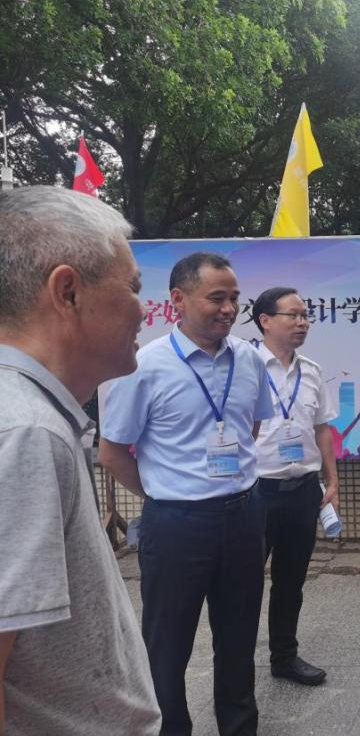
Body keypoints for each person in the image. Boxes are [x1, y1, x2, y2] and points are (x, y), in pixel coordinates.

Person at [0, 187, 161, 734]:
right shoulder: (25, 431)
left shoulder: (32, 415)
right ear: (67, 292)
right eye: (133, 287)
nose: (144, 309)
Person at [99, 252, 275, 736]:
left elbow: (250, 427)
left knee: (239, 638)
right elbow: (112, 452)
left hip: (244, 517)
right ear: (178, 299)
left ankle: (240, 727)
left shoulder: (249, 359)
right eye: (216, 298)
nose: (229, 309)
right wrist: (165, 493)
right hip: (176, 524)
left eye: (234, 298)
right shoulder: (145, 366)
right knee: (167, 645)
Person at [252, 286, 340, 686]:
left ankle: (284, 657)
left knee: (291, 583)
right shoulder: (246, 368)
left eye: (306, 315)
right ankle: (235, 665)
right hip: (255, 493)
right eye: (293, 315)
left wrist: (331, 479)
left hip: (303, 491)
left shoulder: (312, 371)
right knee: (243, 583)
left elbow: (322, 429)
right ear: (265, 321)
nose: (303, 322)